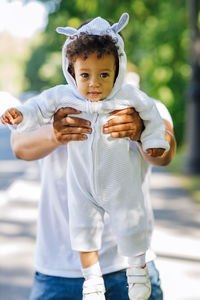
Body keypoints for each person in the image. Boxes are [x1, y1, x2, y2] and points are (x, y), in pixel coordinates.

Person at [3, 13, 176, 300]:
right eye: (85, 72)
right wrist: (56, 133)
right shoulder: (58, 102)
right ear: (72, 68)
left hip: (125, 265)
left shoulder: (138, 103)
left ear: (116, 64)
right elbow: (19, 146)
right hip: (56, 268)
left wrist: (141, 131)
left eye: (104, 71)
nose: (93, 81)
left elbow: (166, 151)